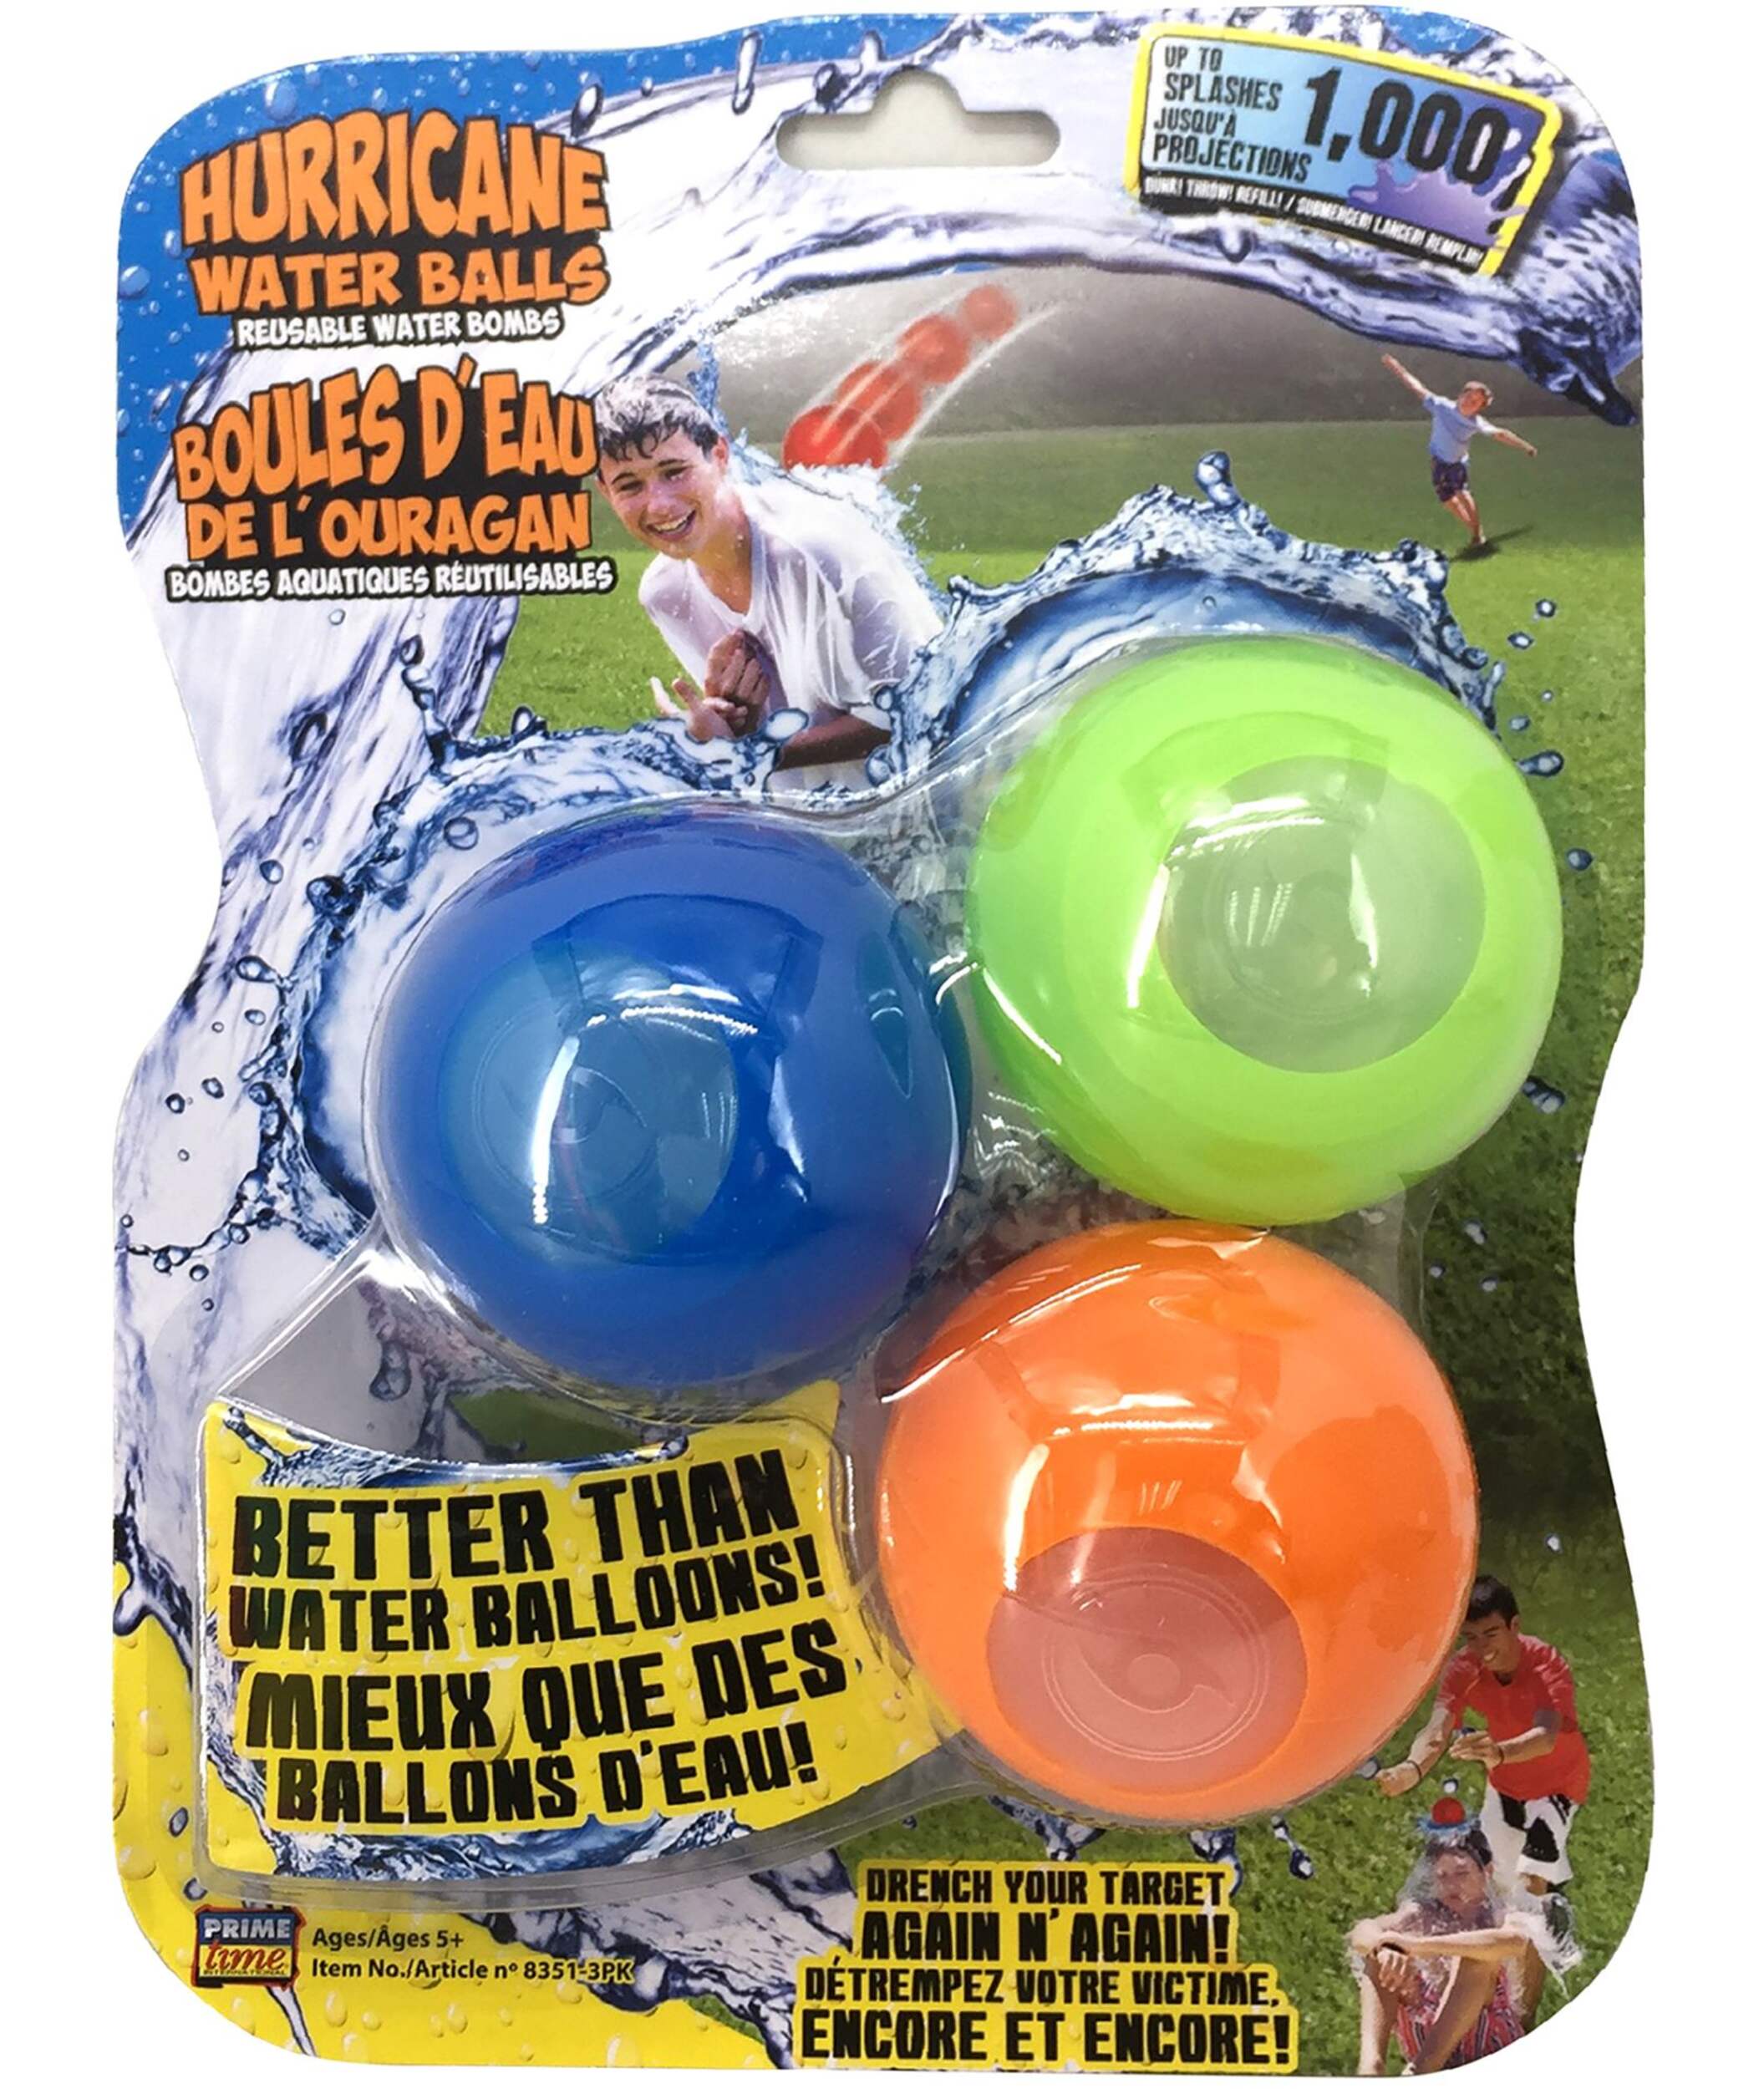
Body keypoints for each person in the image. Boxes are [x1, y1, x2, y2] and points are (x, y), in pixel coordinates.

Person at [592, 375, 941, 784]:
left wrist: (742, 752)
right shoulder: (664, 593)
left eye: (674, 472)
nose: (659, 505)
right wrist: (725, 721)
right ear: (605, 493)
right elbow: (756, 738)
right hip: (806, 818)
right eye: (629, 485)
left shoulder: (815, 551)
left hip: (933, 806)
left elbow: (921, 708)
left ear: (719, 455)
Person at [1375, 1576, 1589, 2024]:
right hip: (1505, 1791)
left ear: (1515, 1625)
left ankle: (1520, 2022)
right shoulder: (1464, 1668)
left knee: (1528, 1897)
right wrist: (1412, 1768)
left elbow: (1547, 1735)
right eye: (1471, 1637)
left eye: (1491, 1634)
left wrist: (1500, 1752)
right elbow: (1437, 1728)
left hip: (1556, 1790)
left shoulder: (1545, 1663)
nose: (1481, 1648)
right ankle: (1490, 1997)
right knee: (1492, 1897)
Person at [1350, 1812, 1531, 2074]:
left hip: (1489, 2059)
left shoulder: (1500, 1914)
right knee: (1381, 1958)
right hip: (1427, 2051)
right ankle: (1370, 2068)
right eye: (1442, 1875)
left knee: (1475, 1959)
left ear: (1487, 1872)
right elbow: (1361, 1932)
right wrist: (1383, 1946)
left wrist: (1416, 1946)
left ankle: (1421, 2071)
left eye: (1461, 1873)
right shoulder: (1421, 1914)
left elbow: (1515, 1942)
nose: (1451, 1885)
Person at [1380, 353, 1538, 551]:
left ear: (1480, 408)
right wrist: (1396, 366)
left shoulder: (1476, 422)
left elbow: (1501, 434)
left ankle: (1477, 535)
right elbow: (1416, 387)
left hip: (1456, 464)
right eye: (1468, 397)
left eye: (1475, 402)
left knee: (1462, 493)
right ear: (1461, 395)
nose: (1469, 402)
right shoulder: (1441, 406)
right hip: (1437, 462)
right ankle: (1476, 531)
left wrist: (1525, 446)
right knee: (1448, 501)